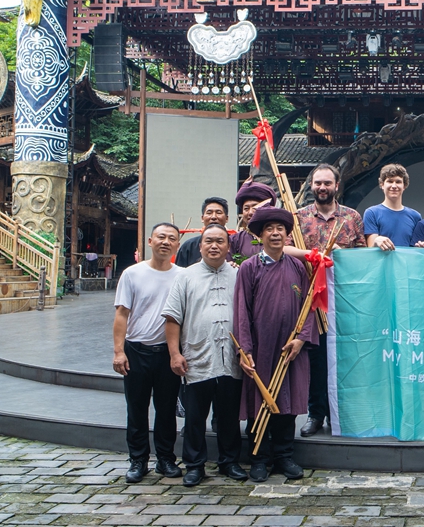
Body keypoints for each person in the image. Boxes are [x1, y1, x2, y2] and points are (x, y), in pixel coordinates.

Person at [234, 206, 318, 483]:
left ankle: (284, 456)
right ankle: (259, 458)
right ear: (260, 235)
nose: (275, 233)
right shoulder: (249, 267)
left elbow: (309, 307)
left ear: (287, 234)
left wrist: (301, 338)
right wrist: (244, 349)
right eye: (269, 229)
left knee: (287, 402)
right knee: (259, 402)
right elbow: (241, 311)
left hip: (290, 350)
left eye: (280, 228)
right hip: (261, 348)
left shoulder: (298, 267)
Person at [162, 224, 247, 487]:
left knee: (229, 416)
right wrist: (174, 354)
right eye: (208, 241)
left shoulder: (239, 275)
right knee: (195, 417)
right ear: (200, 246)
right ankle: (195, 465)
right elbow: (172, 318)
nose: (214, 246)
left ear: (228, 247)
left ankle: (229, 461)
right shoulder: (185, 276)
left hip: (231, 358)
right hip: (197, 357)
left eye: (220, 241)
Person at [295, 163, 366, 438]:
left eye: (327, 183)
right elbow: (286, 248)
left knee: (345, 357)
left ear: (337, 185)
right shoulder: (299, 217)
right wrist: (311, 255)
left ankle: (342, 413)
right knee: (316, 358)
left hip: (343, 298)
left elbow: (362, 256)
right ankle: (316, 413)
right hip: (311, 299)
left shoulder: (351, 217)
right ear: (311, 186)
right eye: (318, 183)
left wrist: (342, 253)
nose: (322, 187)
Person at [112, 223, 184, 483]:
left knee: (166, 409)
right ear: (150, 241)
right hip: (136, 350)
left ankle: (165, 459)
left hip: (168, 352)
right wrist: (119, 351)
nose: (166, 242)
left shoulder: (183, 276)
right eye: (161, 237)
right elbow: (122, 314)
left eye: (171, 238)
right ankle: (138, 460)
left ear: (177, 245)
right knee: (136, 408)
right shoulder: (132, 274)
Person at [364, 164, 421, 250]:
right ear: (382, 185)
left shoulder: (415, 216)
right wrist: (377, 241)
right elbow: (371, 248)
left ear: (404, 186)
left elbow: (416, 248)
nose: (394, 186)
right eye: (390, 181)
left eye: (398, 182)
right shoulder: (372, 213)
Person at [175, 197, 230, 267]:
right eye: (209, 213)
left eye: (218, 212)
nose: (213, 217)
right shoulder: (189, 246)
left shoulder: (235, 244)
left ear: (227, 218)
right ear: (202, 218)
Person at [231, 180, 278, 260]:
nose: (250, 212)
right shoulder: (235, 240)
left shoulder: (280, 236)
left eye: (255, 207)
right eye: (246, 208)